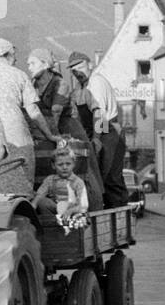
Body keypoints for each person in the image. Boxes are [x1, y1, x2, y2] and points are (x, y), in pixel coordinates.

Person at [0, 38, 54, 197]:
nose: (16, 58)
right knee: (20, 176)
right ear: (6, 54)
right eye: (13, 54)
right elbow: (32, 110)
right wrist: (49, 135)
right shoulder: (19, 75)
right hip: (15, 133)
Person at [68, 52, 128, 210]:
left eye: (80, 67)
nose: (77, 72)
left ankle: (119, 220)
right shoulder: (80, 86)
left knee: (111, 179)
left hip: (108, 132)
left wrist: (97, 139)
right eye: (73, 70)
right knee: (99, 178)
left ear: (90, 64)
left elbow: (99, 115)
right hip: (95, 133)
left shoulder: (96, 83)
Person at [27, 47, 85, 140]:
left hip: (67, 130)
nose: (29, 68)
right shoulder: (33, 85)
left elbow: (56, 111)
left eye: (33, 63)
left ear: (45, 64)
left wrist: (49, 135)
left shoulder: (60, 84)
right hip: (47, 130)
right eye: (28, 64)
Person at [33, 140, 89, 222]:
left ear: (73, 164)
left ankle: (70, 226)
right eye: (60, 164)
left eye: (68, 164)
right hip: (57, 209)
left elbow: (83, 205)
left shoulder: (78, 182)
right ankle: (51, 224)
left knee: (80, 213)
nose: (65, 167)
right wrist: (34, 203)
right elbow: (40, 194)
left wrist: (70, 211)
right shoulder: (50, 179)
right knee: (42, 202)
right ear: (53, 165)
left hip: (73, 212)